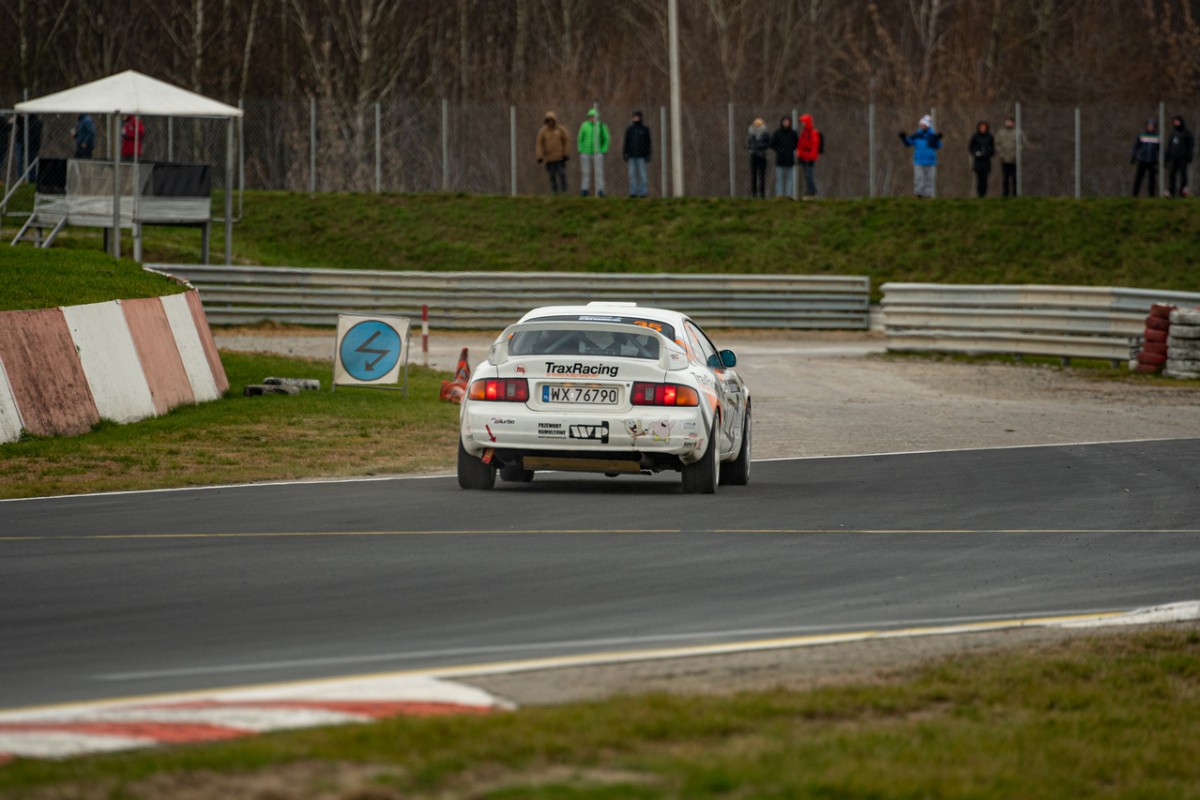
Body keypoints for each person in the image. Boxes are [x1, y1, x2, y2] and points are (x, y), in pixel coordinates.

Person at [899, 114, 942, 198]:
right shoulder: (917, 136)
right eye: (921, 124)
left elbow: (938, 146)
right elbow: (908, 143)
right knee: (919, 178)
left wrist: (937, 140)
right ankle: (919, 194)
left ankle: (928, 194)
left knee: (929, 179)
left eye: (924, 125)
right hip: (919, 161)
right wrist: (903, 138)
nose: (922, 126)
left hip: (930, 161)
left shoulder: (932, 136)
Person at [535, 111, 571, 195]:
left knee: (562, 175)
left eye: (552, 120)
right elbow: (539, 143)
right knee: (552, 176)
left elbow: (567, 141)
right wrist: (539, 156)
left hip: (560, 158)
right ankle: (554, 192)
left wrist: (566, 153)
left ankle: (564, 191)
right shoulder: (543, 132)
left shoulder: (560, 130)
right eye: (548, 120)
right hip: (549, 159)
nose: (550, 122)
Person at [577, 107, 609, 197]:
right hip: (585, 152)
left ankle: (600, 190)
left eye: (594, 117)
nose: (592, 118)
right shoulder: (584, 125)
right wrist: (580, 149)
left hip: (597, 152)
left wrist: (603, 149)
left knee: (599, 172)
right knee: (585, 172)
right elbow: (580, 138)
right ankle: (584, 189)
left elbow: (606, 138)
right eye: (590, 117)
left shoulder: (601, 125)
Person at [993, 117, 1026, 197]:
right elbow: (997, 144)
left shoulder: (1018, 133)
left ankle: (1015, 194)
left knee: (1015, 177)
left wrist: (1017, 153)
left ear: (1013, 123)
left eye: (1010, 122)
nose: (1009, 123)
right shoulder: (1001, 133)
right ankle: (1005, 194)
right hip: (1004, 159)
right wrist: (1001, 155)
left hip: (1014, 159)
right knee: (1005, 177)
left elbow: (1023, 143)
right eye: (1007, 122)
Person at [622, 110, 652, 198]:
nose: (635, 118)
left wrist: (648, 154)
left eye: (637, 116)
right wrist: (625, 153)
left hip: (642, 156)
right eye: (634, 116)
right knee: (632, 176)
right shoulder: (629, 130)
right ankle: (633, 192)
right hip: (631, 155)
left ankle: (643, 192)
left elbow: (648, 143)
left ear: (640, 117)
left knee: (643, 176)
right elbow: (626, 142)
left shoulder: (645, 129)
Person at [1165, 115, 1194, 198]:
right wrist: (1166, 157)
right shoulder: (1173, 133)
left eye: (1177, 121)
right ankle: (1171, 192)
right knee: (1172, 175)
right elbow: (1169, 146)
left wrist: (1189, 156)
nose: (1176, 123)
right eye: (1174, 121)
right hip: (1173, 158)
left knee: (1183, 175)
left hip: (1183, 158)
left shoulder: (1187, 133)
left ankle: (1183, 191)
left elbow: (1190, 146)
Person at [769, 115, 798, 198]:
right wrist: (779, 150)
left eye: (787, 121)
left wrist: (791, 149)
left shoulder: (793, 133)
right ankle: (779, 195)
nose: (786, 123)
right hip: (780, 159)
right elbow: (771, 144)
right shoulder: (777, 133)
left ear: (790, 123)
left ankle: (789, 195)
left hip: (790, 159)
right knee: (779, 179)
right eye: (784, 121)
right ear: (782, 123)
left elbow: (797, 144)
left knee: (790, 179)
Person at [795, 113, 823, 199]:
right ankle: (809, 190)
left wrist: (811, 157)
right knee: (806, 175)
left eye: (803, 122)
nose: (802, 124)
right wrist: (800, 154)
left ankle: (812, 191)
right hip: (804, 157)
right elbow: (800, 145)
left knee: (808, 174)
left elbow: (814, 146)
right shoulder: (804, 133)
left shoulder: (812, 133)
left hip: (810, 157)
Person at [1131, 117, 1159, 197]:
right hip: (1142, 160)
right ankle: (1134, 195)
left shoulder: (1157, 136)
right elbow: (1136, 147)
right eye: (1148, 126)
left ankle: (1151, 196)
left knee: (1152, 180)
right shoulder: (1142, 135)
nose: (1150, 127)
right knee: (1139, 178)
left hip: (1152, 160)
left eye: (1151, 126)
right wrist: (1134, 156)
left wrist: (1163, 159)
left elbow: (1160, 149)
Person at [967, 120, 995, 198]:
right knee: (979, 179)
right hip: (978, 161)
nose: (982, 129)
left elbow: (992, 149)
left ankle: (984, 194)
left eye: (984, 127)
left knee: (985, 178)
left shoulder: (989, 136)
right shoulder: (975, 136)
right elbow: (971, 147)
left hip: (986, 160)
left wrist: (987, 152)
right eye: (981, 127)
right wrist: (976, 153)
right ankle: (980, 194)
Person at [747, 117, 770, 198]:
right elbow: (748, 144)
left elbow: (768, 144)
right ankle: (754, 193)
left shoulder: (765, 134)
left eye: (759, 124)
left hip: (762, 155)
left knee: (762, 176)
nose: (757, 125)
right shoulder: (751, 133)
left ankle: (762, 193)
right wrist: (752, 148)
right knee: (753, 175)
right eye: (756, 124)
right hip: (753, 155)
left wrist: (759, 146)